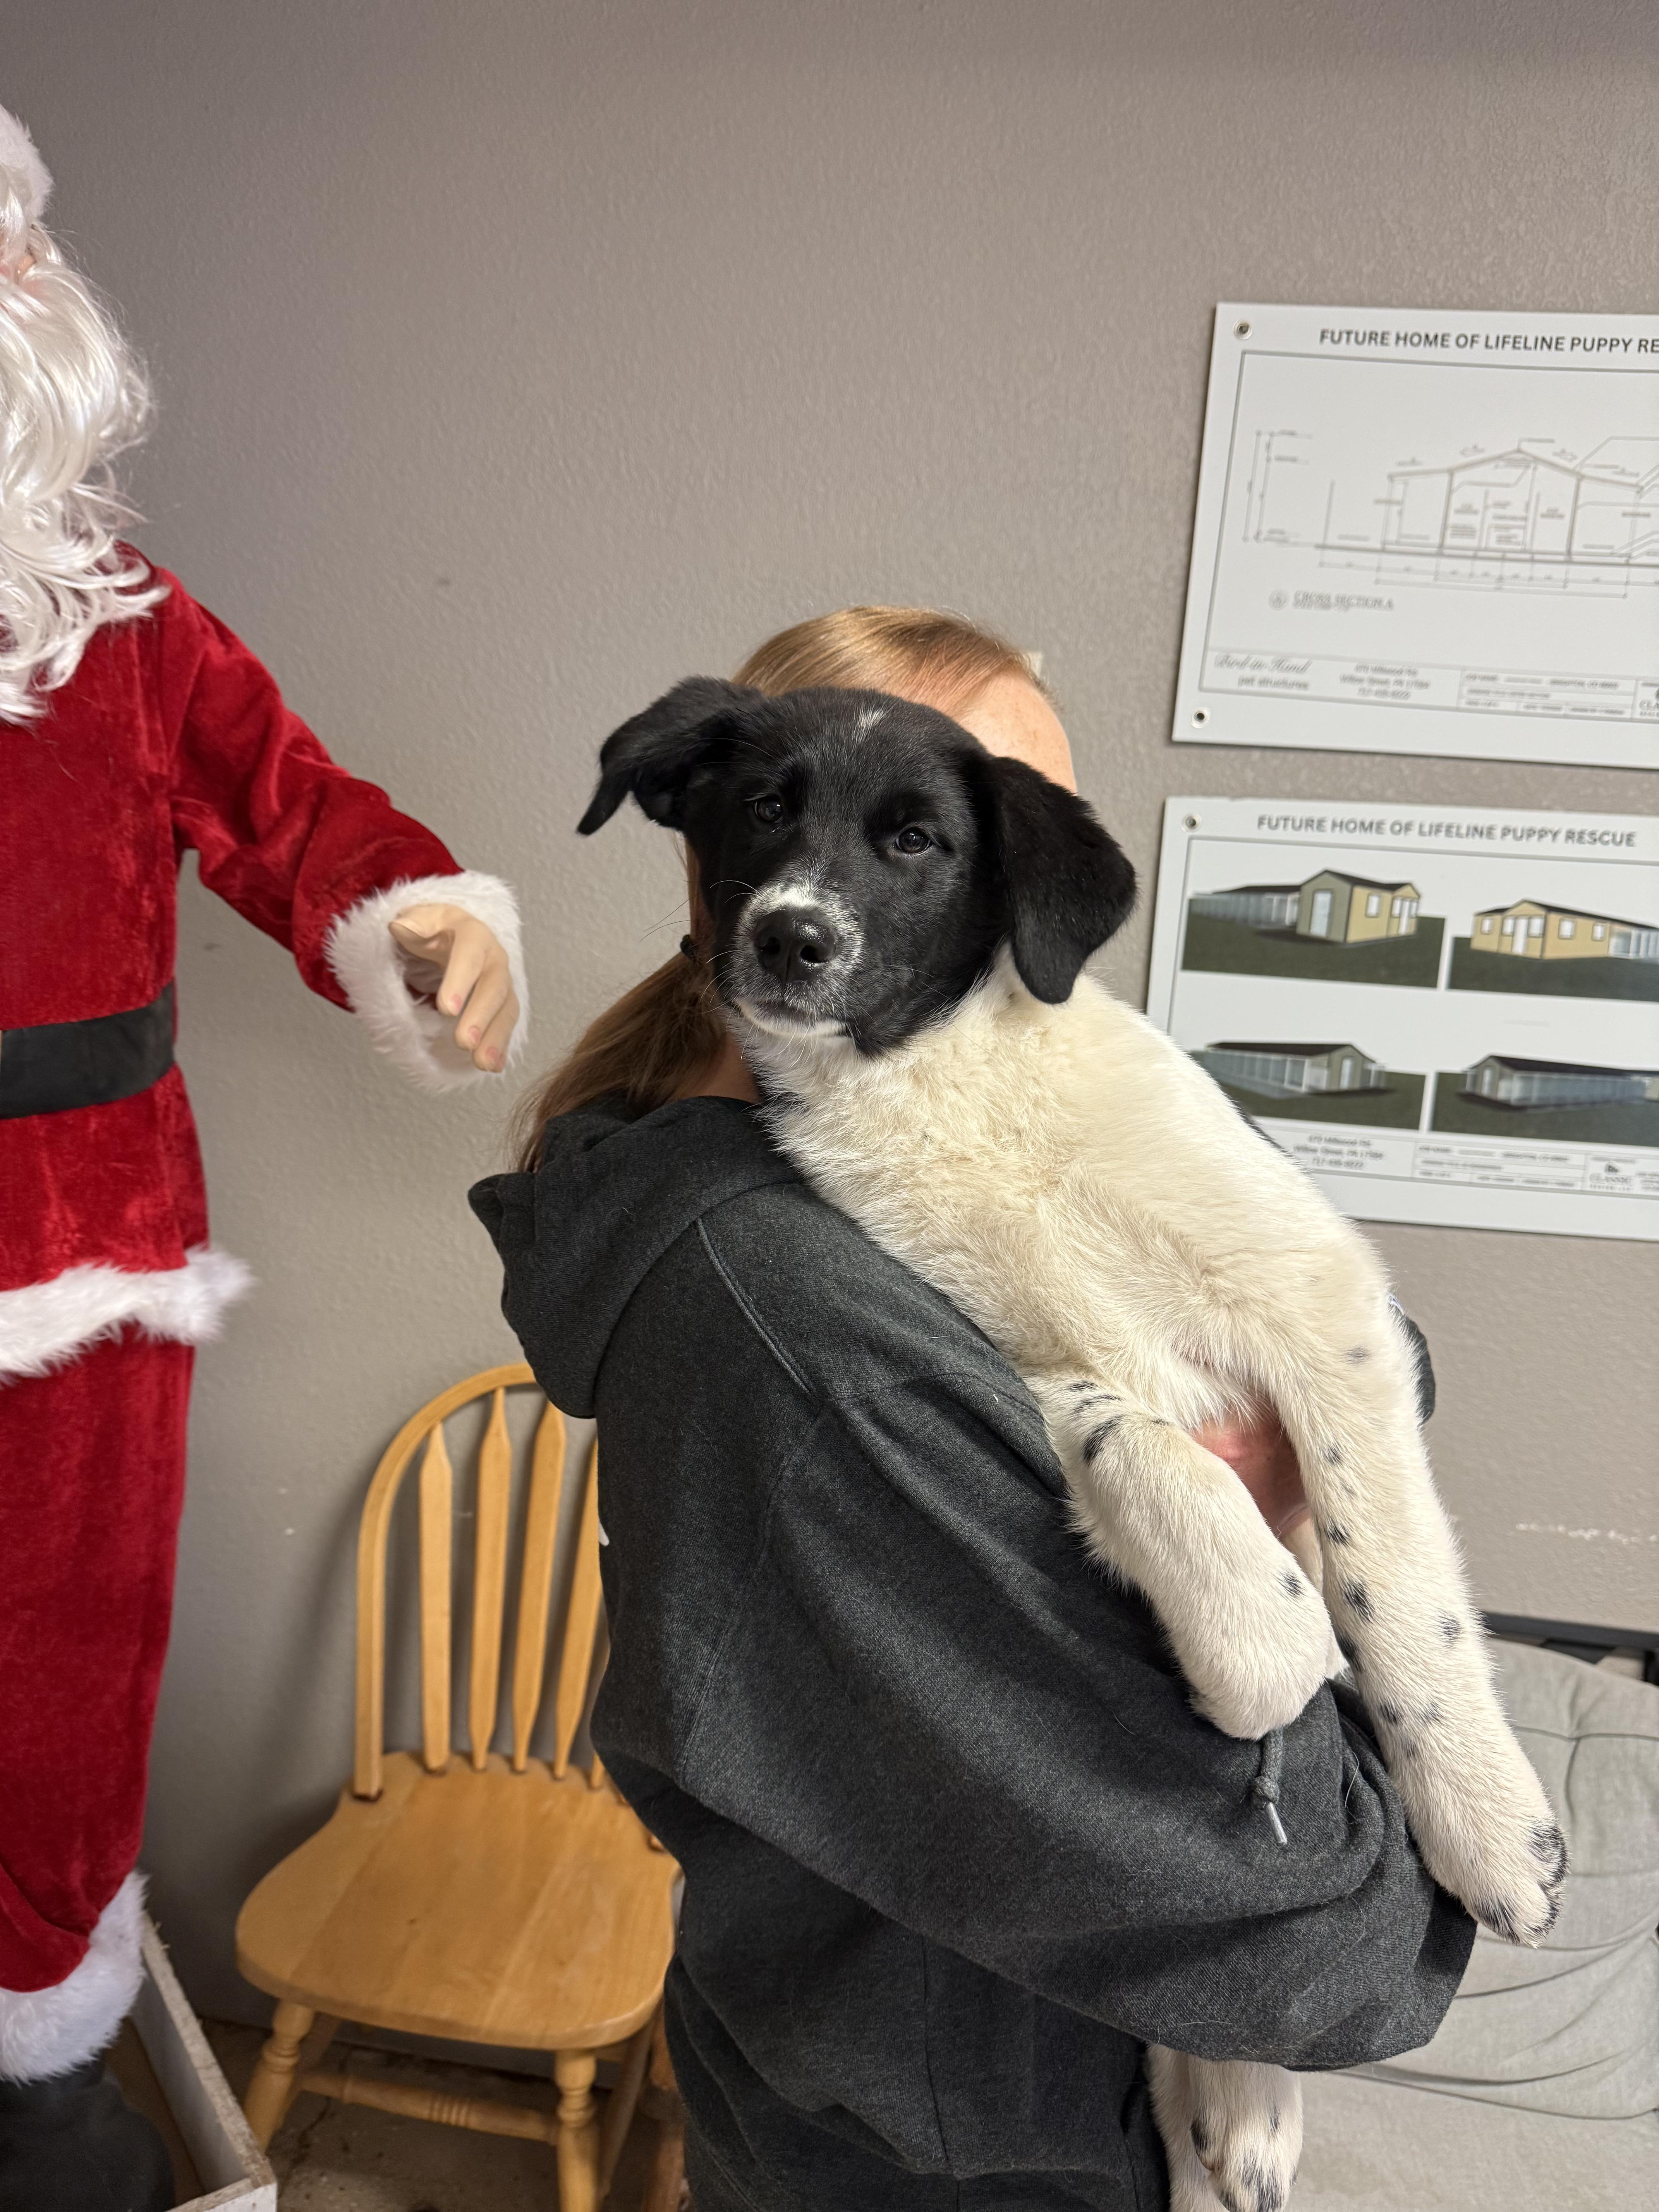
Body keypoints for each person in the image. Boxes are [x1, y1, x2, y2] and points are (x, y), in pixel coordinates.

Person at [473, 608, 1470, 2212]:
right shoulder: (818, 1341)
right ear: (717, 841)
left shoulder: (928, 1191)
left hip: (861, 2068)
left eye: (970, 837)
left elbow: (1351, 1344)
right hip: (978, 2140)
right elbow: (1320, 1946)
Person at [0, 103, 525, 2208]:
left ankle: (31, 2087)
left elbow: (302, 815)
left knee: (52, 1686)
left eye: (14, 257)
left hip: (89, 1253)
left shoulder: (117, 615)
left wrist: (427, 923)